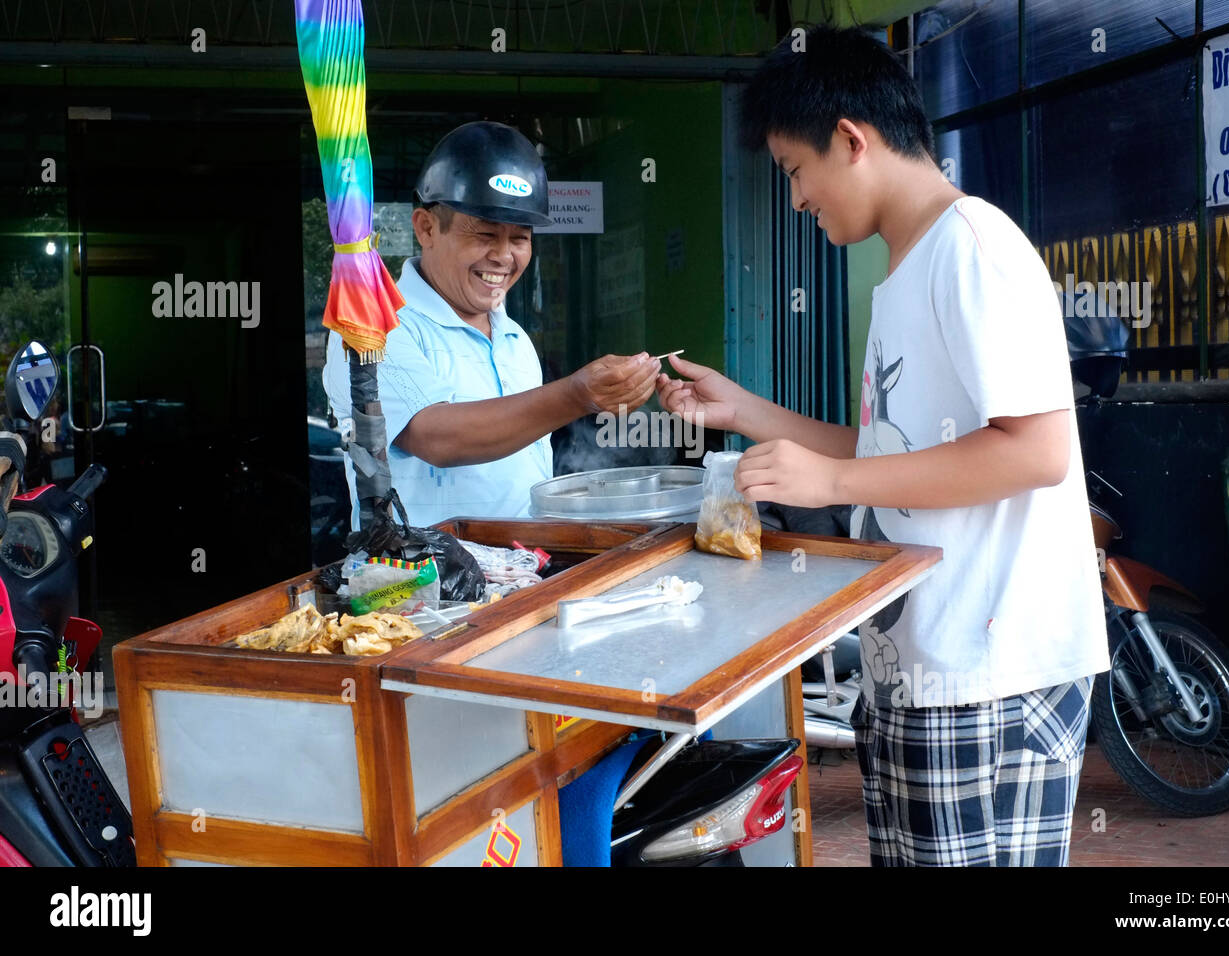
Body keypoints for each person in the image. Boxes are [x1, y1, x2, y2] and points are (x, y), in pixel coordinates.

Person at [656, 26, 1109, 867]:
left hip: (991, 676)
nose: (796, 199)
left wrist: (831, 476)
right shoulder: (906, 267)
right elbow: (891, 450)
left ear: (852, 141)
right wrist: (750, 411)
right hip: (920, 666)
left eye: (796, 171)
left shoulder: (973, 248)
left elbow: (1037, 451)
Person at [324, 121, 658, 529]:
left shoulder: (514, 338)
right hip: (424, 586)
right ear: (426, 228)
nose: (503, 256)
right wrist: (577, 395)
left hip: (525, 577)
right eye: (485, 234)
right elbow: (436, 438)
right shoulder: (372, 330)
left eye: (520, 238)